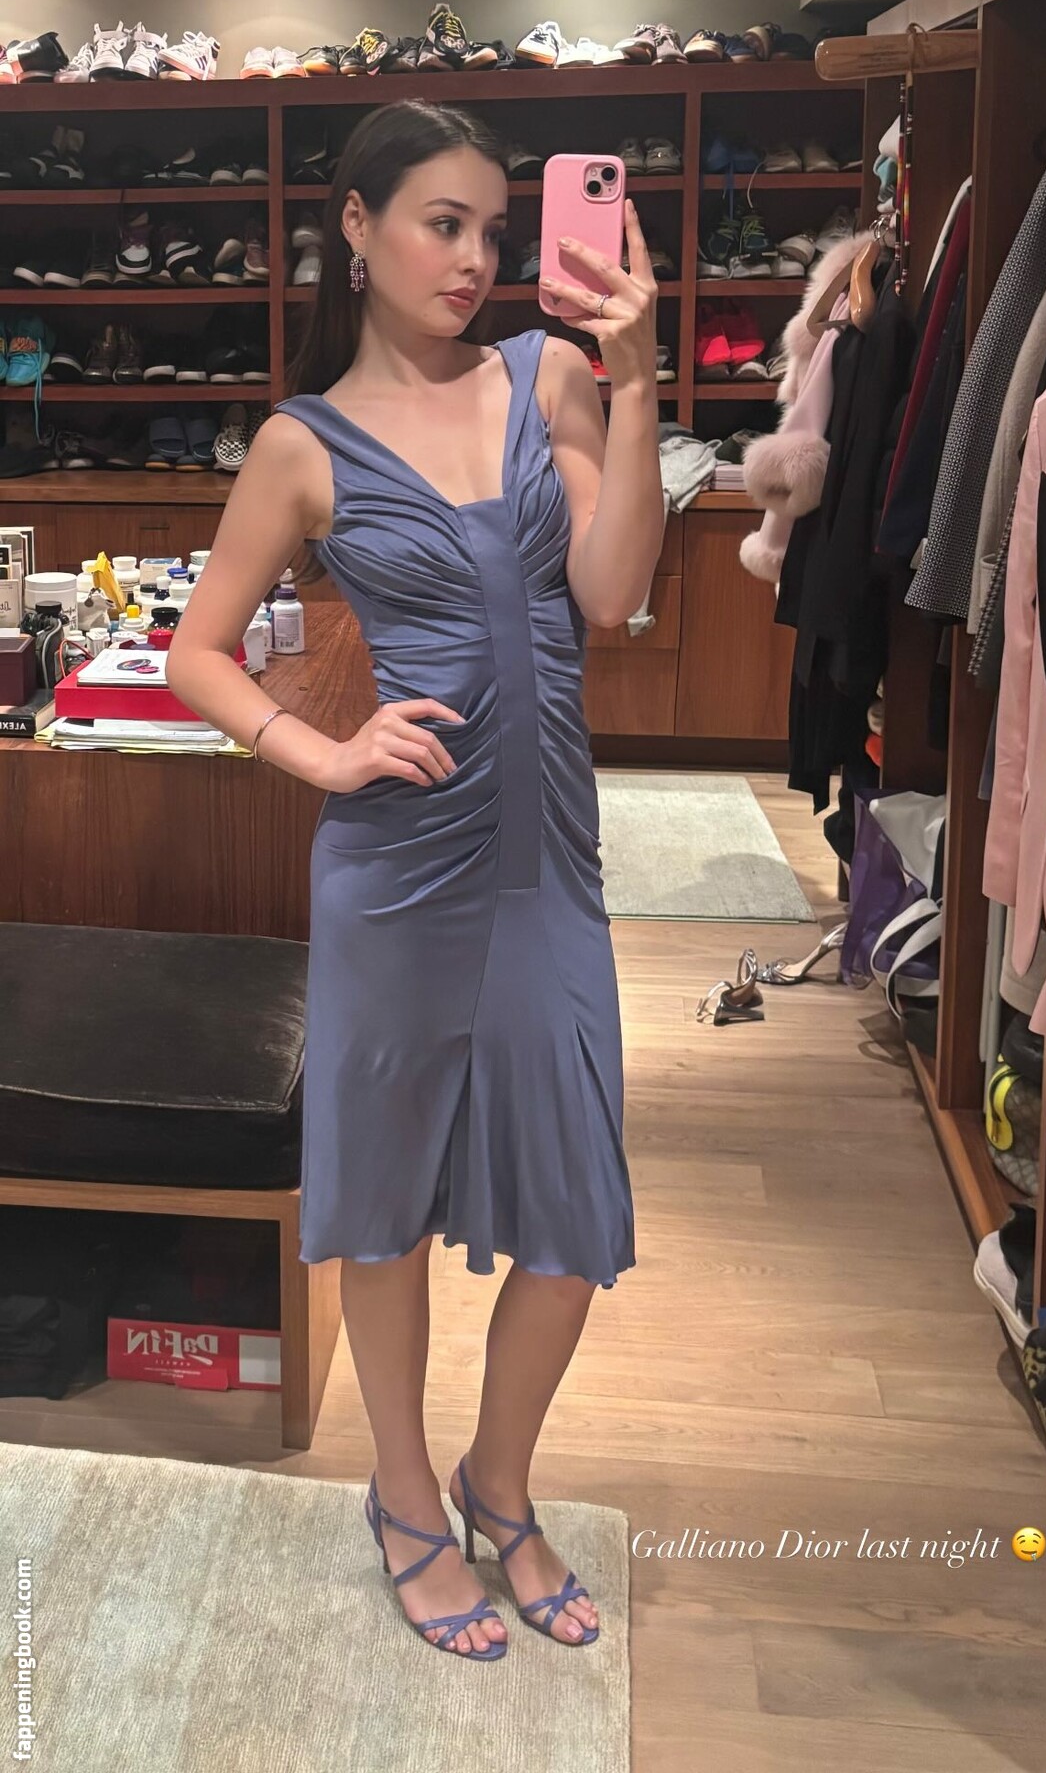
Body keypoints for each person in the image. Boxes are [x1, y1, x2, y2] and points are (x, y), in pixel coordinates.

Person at [167, 99, 665, 1661]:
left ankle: (496, 1484)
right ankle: (403, 1497)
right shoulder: (302, 444)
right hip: (398, 867)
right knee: (380, 1205)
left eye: (493, 229)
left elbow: (611, 594)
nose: (474, 257)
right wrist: (318, 755)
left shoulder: (551, 375)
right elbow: (197, 650)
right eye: (442, 223)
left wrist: (641, 380)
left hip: (547, 862)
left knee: (574, 1219)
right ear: (358, 228)